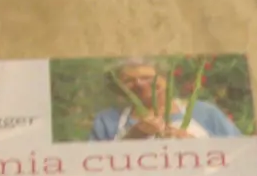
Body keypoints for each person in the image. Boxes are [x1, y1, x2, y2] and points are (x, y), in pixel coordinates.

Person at [87, 57, 241, 141]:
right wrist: (132, 138)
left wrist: (197, 149)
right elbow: (92, 170)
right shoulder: (107, 120)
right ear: (119, 87)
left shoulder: (205, 112)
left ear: (166, 79)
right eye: (129, 80)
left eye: (147, 77)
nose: (139, 84)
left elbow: (240, 156)